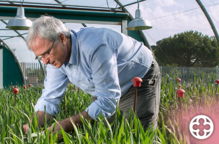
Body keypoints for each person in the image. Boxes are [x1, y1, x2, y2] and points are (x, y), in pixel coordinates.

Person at [23, 15, 161, 140]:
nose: (45, 61)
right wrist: (33, 124)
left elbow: (107, 101)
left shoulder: (95, 47)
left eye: (47, 53)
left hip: (138, 78)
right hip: (104, 88)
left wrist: (65, 125)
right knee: (105, 134)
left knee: (137, 135)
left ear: (62, 38)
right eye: (39, 56)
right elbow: (50, 98)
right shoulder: (55, 59)